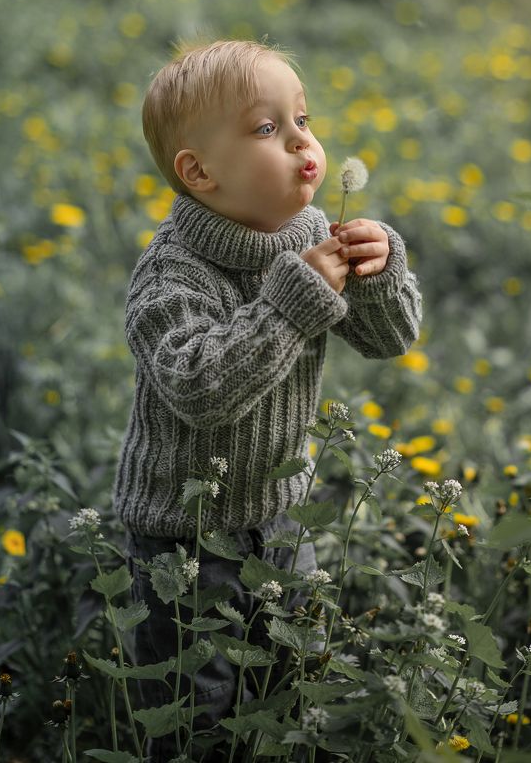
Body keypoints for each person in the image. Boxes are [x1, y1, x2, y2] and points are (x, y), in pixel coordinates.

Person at [112, 38, 423, 761]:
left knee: (299, 685)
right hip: (184, 538)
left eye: (303, 120)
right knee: (199, 712)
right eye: (266, 129)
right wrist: (291, 300)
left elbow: (387, 341)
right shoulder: (170, 277)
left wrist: (377, 273)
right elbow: (199, 388)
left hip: (281, 517)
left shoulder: (312, 234)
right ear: (200, 172)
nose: (301, 142)